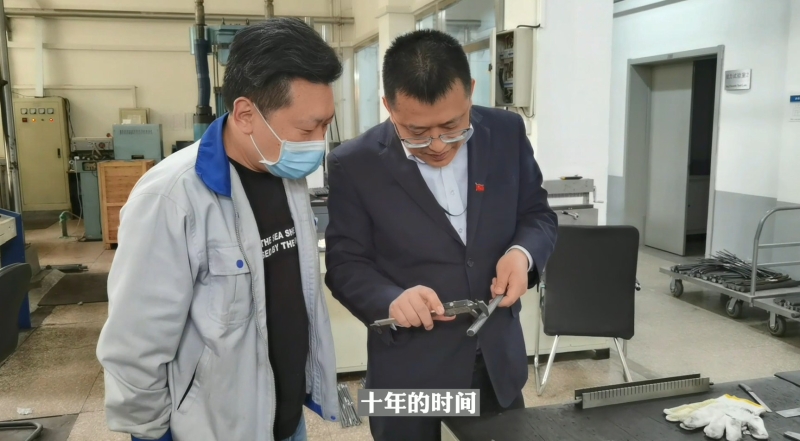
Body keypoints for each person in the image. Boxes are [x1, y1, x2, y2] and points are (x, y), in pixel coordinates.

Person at [96, 18, 342, 441]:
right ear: (246, 114)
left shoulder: (285, 175)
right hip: (213, 429)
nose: (318, 142)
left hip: (285, 421)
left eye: (325, 125)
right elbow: (135, 341)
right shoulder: (172, 197)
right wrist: (148, 431)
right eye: (307, 128)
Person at [324, 29, 558, 441]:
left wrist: (522, 254)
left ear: (470, 91)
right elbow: (345, 264)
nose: (437, 145)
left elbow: (537, 214)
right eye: (416, 132)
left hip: (495, 364)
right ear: (388, 106)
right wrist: (391, 299)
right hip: (407, 372)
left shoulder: (506, 132)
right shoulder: (353, 163)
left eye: (452, 126)